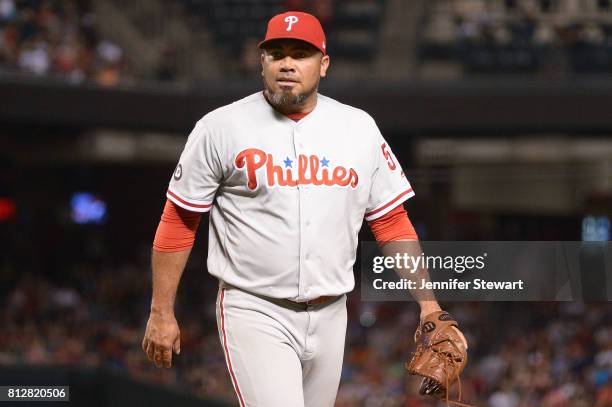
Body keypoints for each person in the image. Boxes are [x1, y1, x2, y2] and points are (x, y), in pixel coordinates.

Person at [141, 11, 467, 407]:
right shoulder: (220, 128)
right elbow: (179, 219)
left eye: (301, 54)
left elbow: (390, 220)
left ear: (323, 64)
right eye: (277, 54)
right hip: (254, 308)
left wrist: (428, 304)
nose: (288, 64)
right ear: (262, 61)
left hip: (332, 313)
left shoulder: (358, 127)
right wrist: (161, 311)